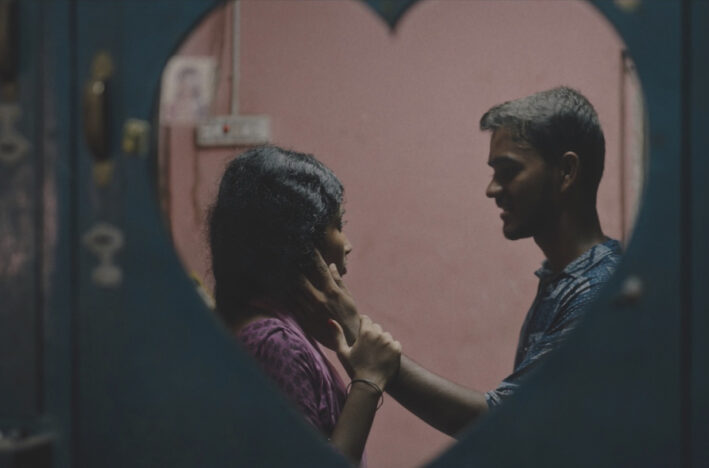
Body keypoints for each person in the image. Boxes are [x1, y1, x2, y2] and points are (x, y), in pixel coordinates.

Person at [299, 86, 622, 437]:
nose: (492, 189)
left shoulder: (598, 292)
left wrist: (362, 340)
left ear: (566, 171)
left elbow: (506, 424)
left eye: (508, 171)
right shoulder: (563, 279)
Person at [208, 146, 401, 464]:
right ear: (299, 243)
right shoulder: (275, 343)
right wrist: (367, 383)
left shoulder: (272, 325)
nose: (347, 245)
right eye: (338, 225)